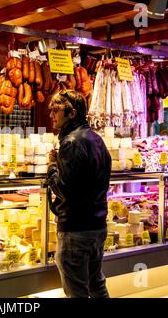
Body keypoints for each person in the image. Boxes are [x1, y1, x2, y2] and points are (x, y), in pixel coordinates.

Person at [46, 89, 111, 298]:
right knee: (96, 284)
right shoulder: (97, 139)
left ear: (71, 113)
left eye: (56, 110)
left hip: (76, 228)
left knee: (77, 292)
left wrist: (52, 166)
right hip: (98, 226)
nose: (52, 116)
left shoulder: (71, 142)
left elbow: (63, 188)